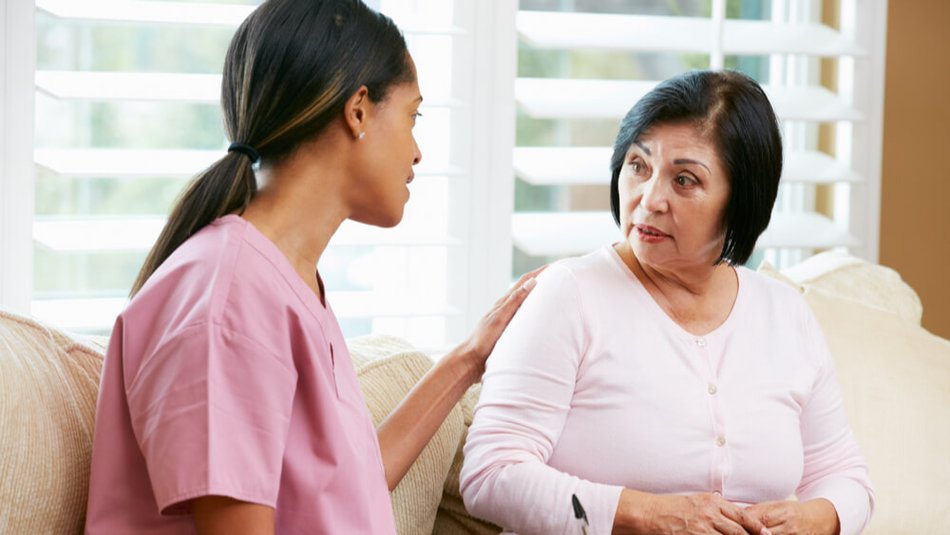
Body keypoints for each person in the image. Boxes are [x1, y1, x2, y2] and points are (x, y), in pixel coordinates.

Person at [84, 1, 539, 533]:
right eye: (414, 117)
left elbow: (346, 491)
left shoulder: (279, 280)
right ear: (359, 110)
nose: (418, 152)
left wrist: (470, 357)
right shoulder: (229, 297)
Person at [460, 70, 874, 535]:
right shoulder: (570, 295)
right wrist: (649, 515)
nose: (649, 199)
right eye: (638, 166)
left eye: (684, 180)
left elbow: (846, 477)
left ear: (741, 200)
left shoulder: (786, 315)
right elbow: (490, 475)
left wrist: (817, 518)